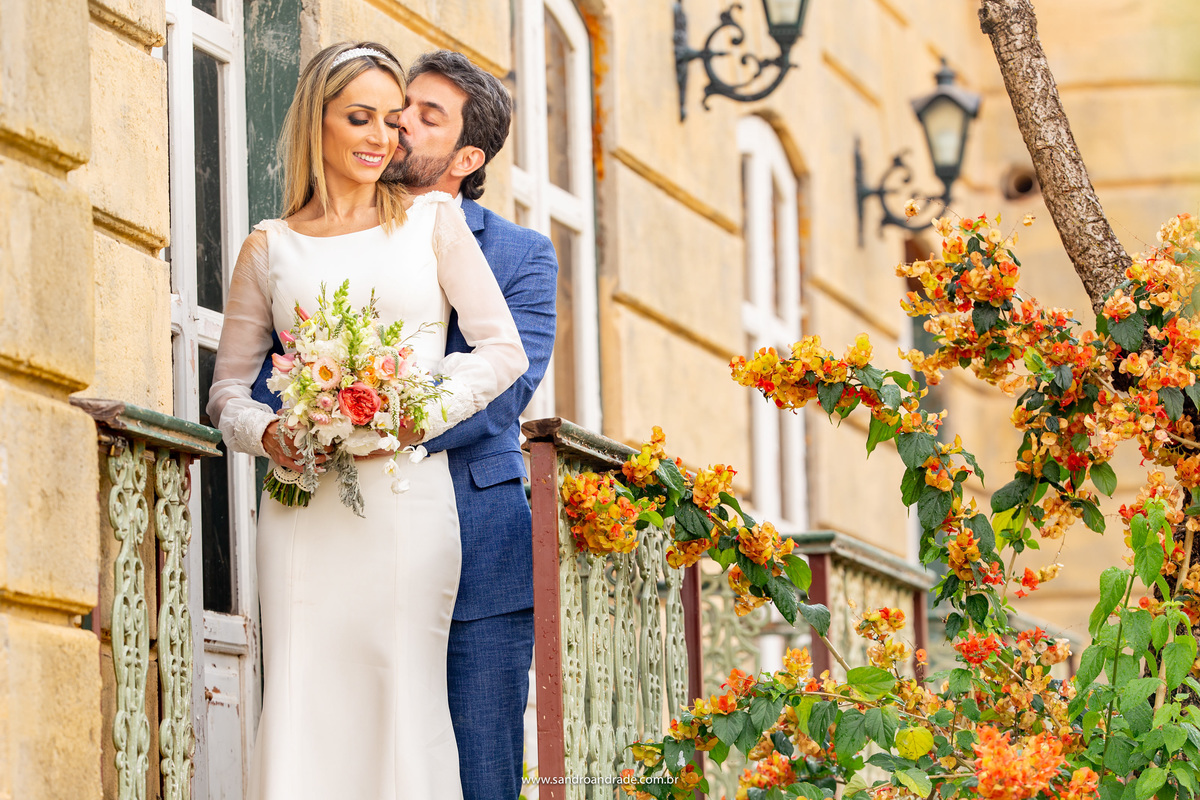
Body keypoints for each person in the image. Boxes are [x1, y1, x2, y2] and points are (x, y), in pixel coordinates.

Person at [206, 41, 529, 800]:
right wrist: (272, 434)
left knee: (399, 690)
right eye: (361, 118)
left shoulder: (433, 223)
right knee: (302, 693)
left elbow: (502, 349)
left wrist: (418, 413)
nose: (382, 137)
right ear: (316, 123)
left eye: (393, 121)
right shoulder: (269, 247)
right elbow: (225, 392)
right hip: (302, 508)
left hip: (405, 504)